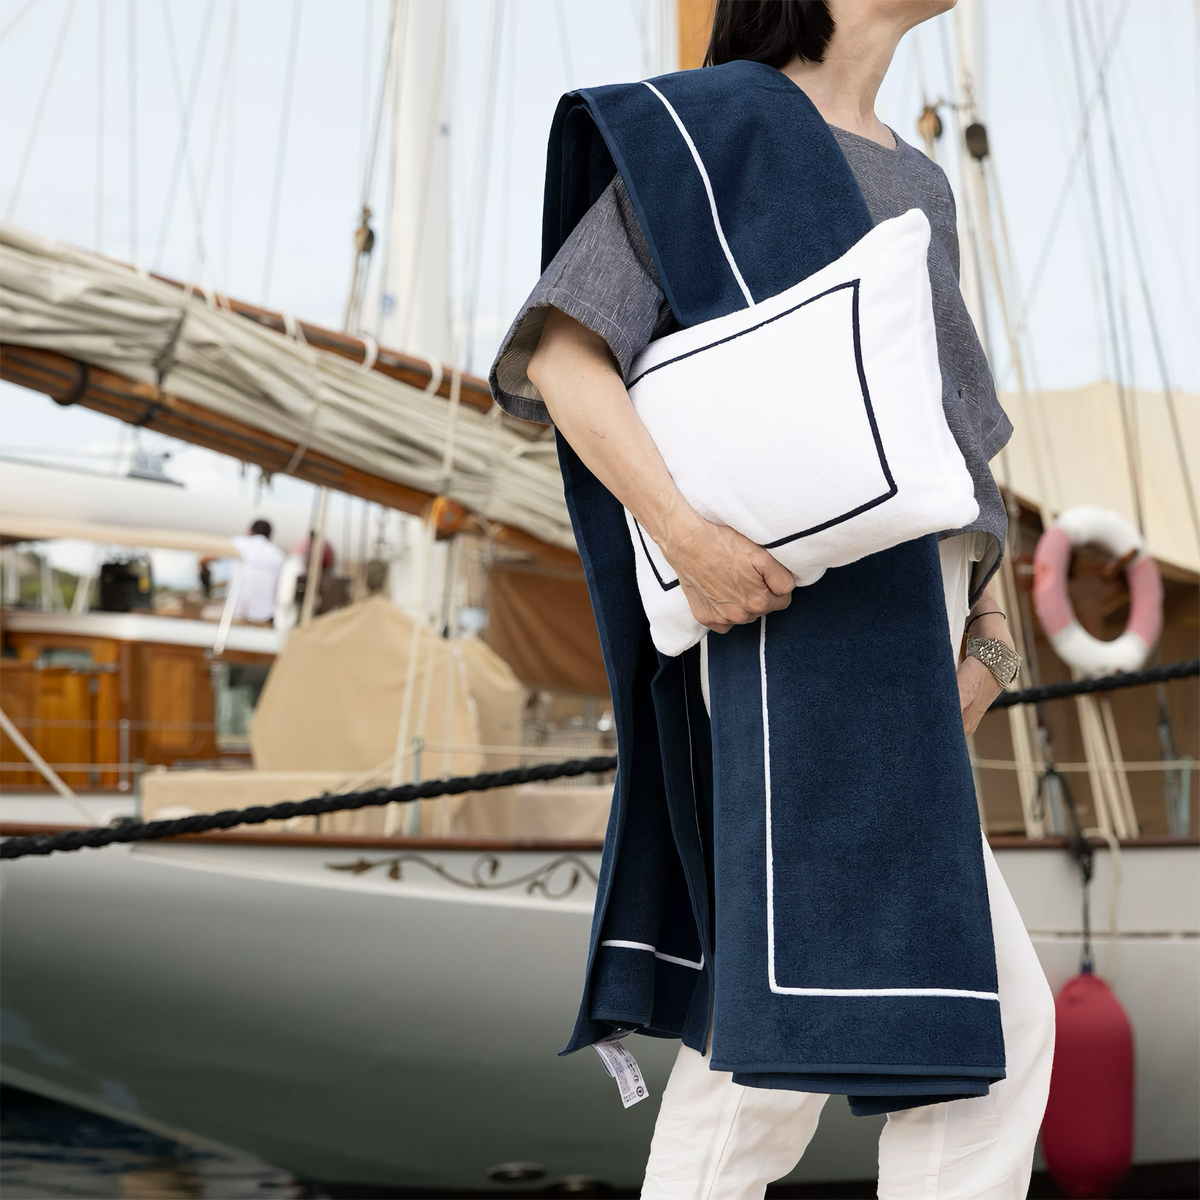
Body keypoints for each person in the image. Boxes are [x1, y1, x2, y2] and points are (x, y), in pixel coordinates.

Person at [490, 3, 1055, 1197]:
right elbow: (561, 357)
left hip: (914, 634)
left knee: (770, 1065)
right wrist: (684, 535)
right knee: (967, 1041)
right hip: (787, 648)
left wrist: (992, 631)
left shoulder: (918, 179)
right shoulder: (712, 132)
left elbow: (951, 442)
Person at [229, 519, 286, 625]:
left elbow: (205, 558)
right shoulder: (279, 555)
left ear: (250, 531)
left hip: (235, 612)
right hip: (264, 615)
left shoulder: (238, 542)